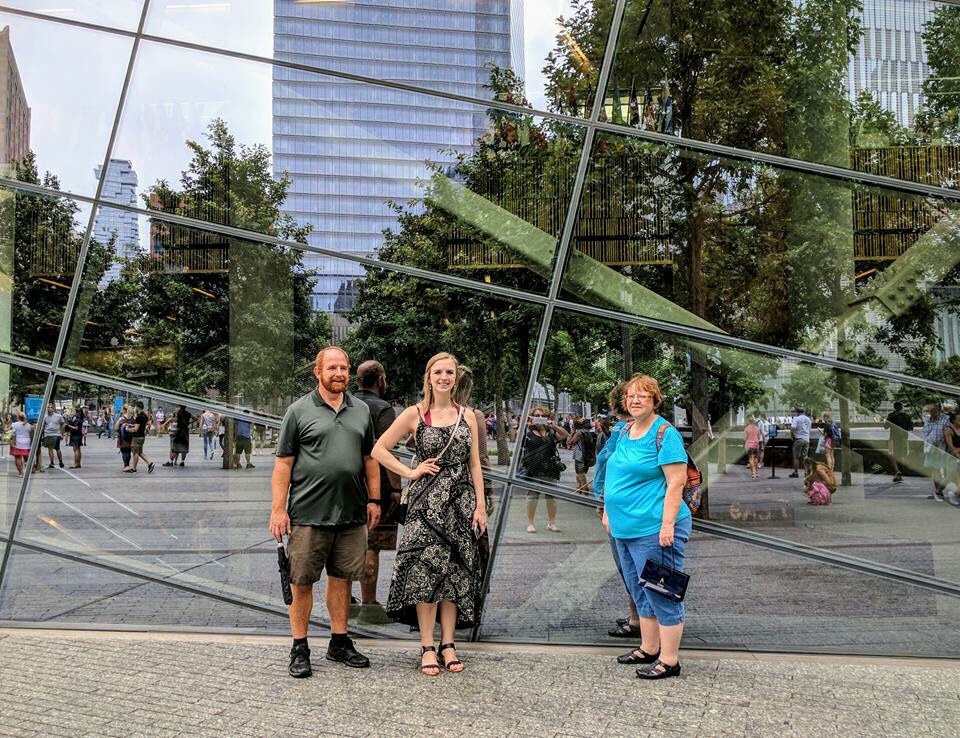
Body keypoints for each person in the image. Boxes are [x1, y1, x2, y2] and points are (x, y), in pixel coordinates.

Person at [371, 352, 486, 677]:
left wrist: (480, 506)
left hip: (459, 506)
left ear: (456, 378)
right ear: (429, 377)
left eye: (449, 372)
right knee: (424, 574)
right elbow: (379, 449)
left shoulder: (467, 416)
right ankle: (426, 646)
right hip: (425, 509)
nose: (444, 377)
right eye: (438, 372)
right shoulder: (415, 413)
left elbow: (475, 464)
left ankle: (448, 644)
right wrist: (410, 472)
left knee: (454, 575)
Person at [268, 346, 381, 678]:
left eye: (343, 368)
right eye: (332, 368)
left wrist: (374, 500)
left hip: (351, 513)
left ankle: (339, 642)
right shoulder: (298, 411)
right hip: (307, 514)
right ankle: (299, 647)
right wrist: (278, 510)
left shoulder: (361, 410)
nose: (339, 373)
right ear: (317, 372)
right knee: (301, 581)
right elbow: (283, 465)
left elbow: (370, 459)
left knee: (342, 579)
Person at [600, 374, 692, 680]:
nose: (635, 400)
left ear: (655, 400)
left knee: (662, 592)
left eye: (642, 395)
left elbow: (676, 482)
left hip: (654, 529)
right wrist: (608, 510)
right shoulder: (626, 430)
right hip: (624, 529)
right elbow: (613, 472)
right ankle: (649, 647)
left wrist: (667, 526)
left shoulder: (665, 434)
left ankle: (669, 660)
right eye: (630, 396)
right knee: (640, 589)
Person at [352, 359, 401, 626]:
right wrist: (396, 489)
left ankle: (346, 600)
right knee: (372, 544)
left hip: (348, 484)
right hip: (376, 488)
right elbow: (387, 453)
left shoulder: (346, 404)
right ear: (380, 379)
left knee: (347, 541)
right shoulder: (383, 409)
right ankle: (369, 604)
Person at [594, 382, 643, 640]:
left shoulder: (625, 431)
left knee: (629, 567)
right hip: (624, 507)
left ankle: (638, 620)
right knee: (631, 565)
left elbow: (610, 466)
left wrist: (603, 503)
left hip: (624, 509)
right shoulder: (629, 429)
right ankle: (640, 616)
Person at [520, 407, 569, 533]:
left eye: (543, 416)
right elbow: (517, 439)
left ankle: (552, 523)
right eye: (537, 416)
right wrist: (526, 423)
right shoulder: (528, 433)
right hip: (534, 469)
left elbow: (565, 435)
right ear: (532, 417)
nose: (540, 418)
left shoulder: (551, 433)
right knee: (532, 497)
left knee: (551, 498)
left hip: (550, 469)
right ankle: (530, 523)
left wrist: (554, 426)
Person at [920, 402, 951, 502]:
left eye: (933, 410)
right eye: (930, 411)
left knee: (946, 471)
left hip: (943, 448)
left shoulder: (946, 419)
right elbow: (925, 433)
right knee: (934, 470)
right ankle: (938, 491)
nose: (931, 412)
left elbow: (950, 433)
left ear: (938, 410)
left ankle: (940, 490)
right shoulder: (928, 420)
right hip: (931, 448)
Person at [885, 402, 913, 483]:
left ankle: (897, 471)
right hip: (904, 439)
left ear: (894, 407)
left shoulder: (891, 415)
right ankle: (899, 475)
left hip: (893, 438)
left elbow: (885, 427)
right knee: (903, 455)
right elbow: (910, 428)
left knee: (891, 455)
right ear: (902, 407)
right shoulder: (907, 416)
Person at [124, 401, 155, 474]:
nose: (135, 408)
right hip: (142, 436)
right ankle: (150, 463)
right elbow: (141, 425)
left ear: (138, 407)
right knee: (140, 452)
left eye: (135, 407)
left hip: (136, 437)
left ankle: (134, 468)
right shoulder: (145, 416)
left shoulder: (139, 416)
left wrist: (127, 429)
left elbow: (136, 429)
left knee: (135, 453)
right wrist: (133, 425)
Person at [568, 417, 596, 496]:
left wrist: (572, 432)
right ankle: (579, 487)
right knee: (580, 472)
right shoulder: (588, 432)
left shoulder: (579, 433)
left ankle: (584, 489)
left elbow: (570, 442)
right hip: (587, 455)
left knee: (580, 472)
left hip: (579, 455)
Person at [788, 408, 811, 478]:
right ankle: (806, 472)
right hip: (807, 439)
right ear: (803, 412)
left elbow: (792, 428)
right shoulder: (808, 419)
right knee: (805, 456)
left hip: (799, 439)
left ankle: (796, 472)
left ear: (797, 412)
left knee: (796, 457)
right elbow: (809, 429)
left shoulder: (796, 418)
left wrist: (792, 436)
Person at [42, 404, 65, 470]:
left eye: (51, 407)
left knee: (57, 448)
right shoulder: (45, 417)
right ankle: (52, 462)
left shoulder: (58, 416)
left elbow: (63, 424)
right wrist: (43, 436)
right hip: (48, 434)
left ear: (53, 408)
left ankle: (60, 461)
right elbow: (43, 426)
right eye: (48, 407)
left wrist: (62, 434)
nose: (49, 408)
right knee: (50, 449)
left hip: (56, 434)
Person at [11, 412, 32, 477]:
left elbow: (11, 433)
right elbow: (31, 433)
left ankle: (21, 473)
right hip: (26, 442)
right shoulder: (28, 425)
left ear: (18, 417)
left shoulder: (14, 424)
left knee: (18, 458)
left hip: (17, 442)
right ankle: (28, 472)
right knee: (27, 458)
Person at [116, 405, 132, 470]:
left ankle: (126, 466)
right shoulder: (132, 417)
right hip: (130, 437)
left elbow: (116, 428)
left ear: (124, 410)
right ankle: (127, 465)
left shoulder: (122, 418)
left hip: (123, 438)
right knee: (128, 451)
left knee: (124, 451)